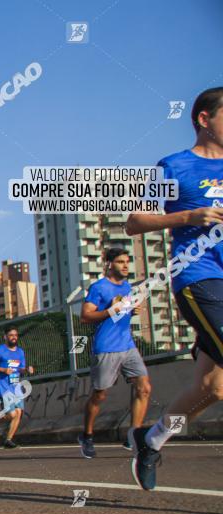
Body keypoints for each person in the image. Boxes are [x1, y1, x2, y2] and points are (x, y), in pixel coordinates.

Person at [125, 87, 223, 489]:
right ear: (204, 119)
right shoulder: (174, 166)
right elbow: (135, 222)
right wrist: (189, 216)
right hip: (199, 277)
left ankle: (151, 440)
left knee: (213, 388)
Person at [78, 248, 152, 458]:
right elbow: (85, 317)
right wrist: (112, 310)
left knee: (144, 388)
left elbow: (123, 310)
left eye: (127, 261)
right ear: (109, 264)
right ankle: (87, 435)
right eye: (120, 262)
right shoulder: (98, 287)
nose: (126, 265)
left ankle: (133, 435)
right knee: (100, 395)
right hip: (106, 348)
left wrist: (132, 310)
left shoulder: (128, 286)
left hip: (128, 345)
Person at [0, 326, 34, 449]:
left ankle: (8, 440)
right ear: (5, 337)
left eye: (16, 335)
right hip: (4, 387)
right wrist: (3, 369)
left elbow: (21, 369)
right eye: (11, 335)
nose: (14, 337)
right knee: (12, 414)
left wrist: (27, 370)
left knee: (18, 412)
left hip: (16, 386)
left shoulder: (20, 352)